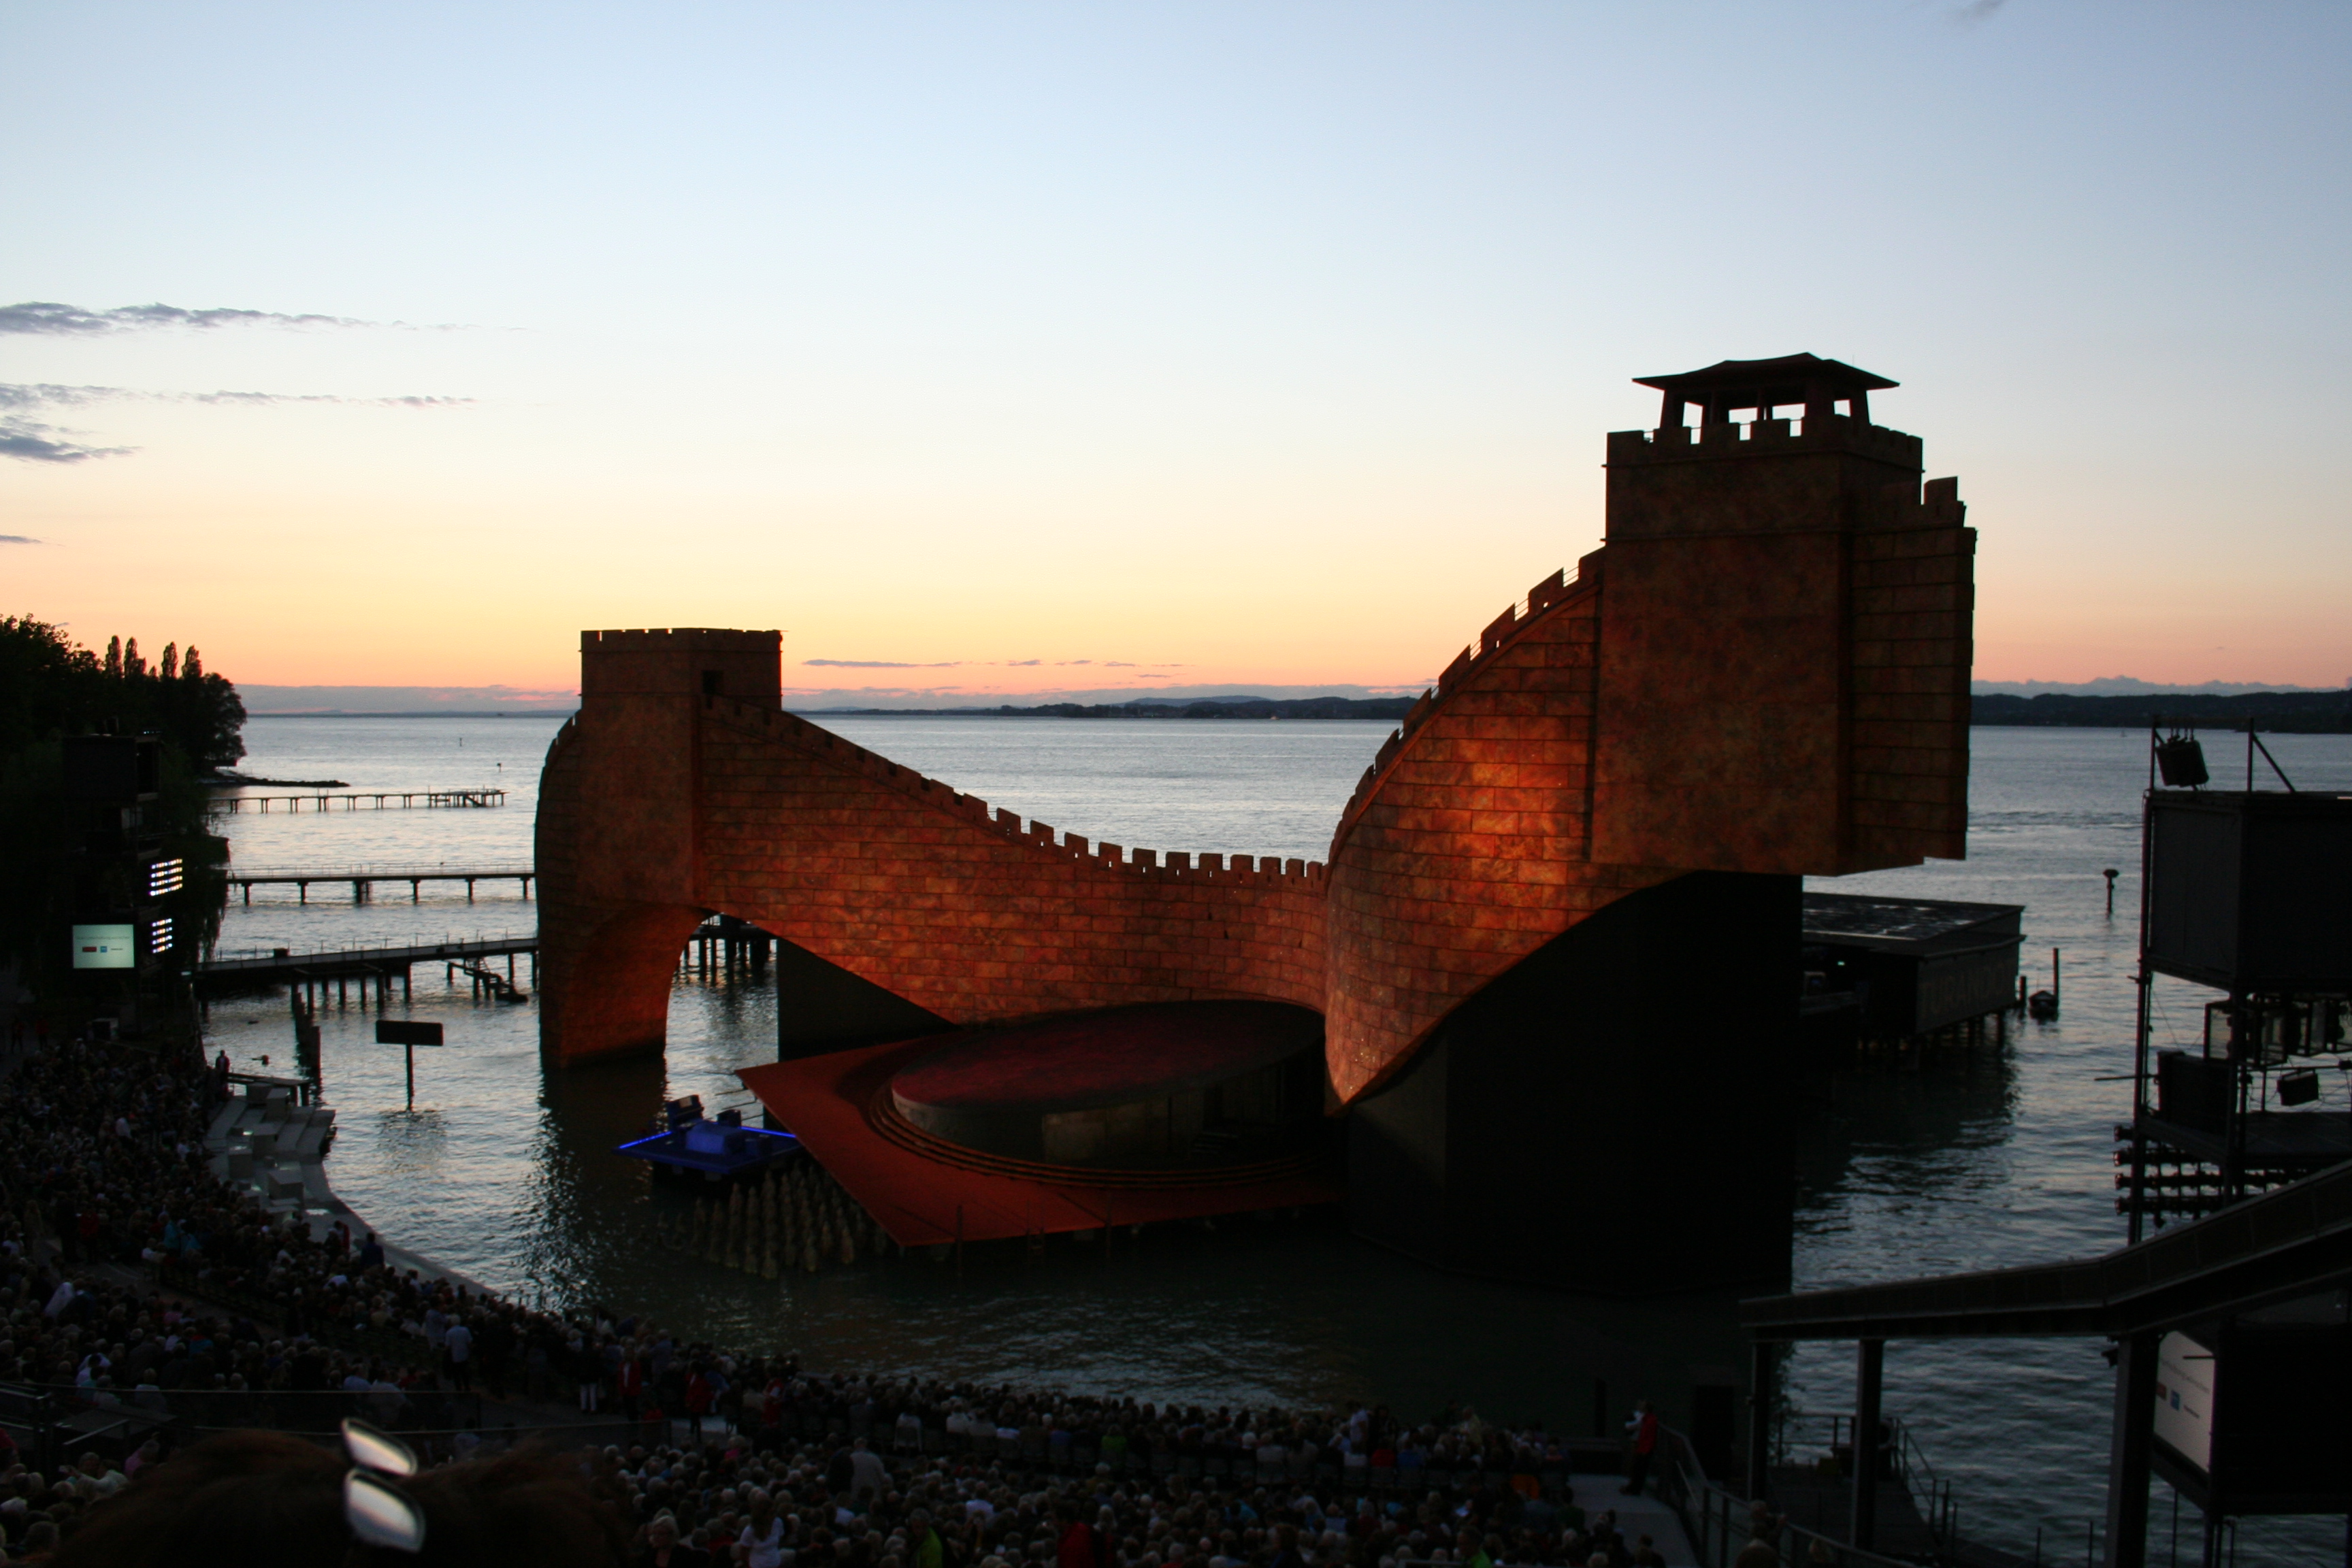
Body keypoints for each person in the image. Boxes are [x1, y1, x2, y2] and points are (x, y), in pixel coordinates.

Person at [1620, 1401, 1659, 1497]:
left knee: (1640, 1470)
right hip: (1642, 1447)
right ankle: (1633, 1489)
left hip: (1644, 1449)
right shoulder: (1647, 1419)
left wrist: (1646, 1449)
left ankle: (1635, 1489)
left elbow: (1650, 1436)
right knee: (1638, 1469)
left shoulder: (1650, 1420)